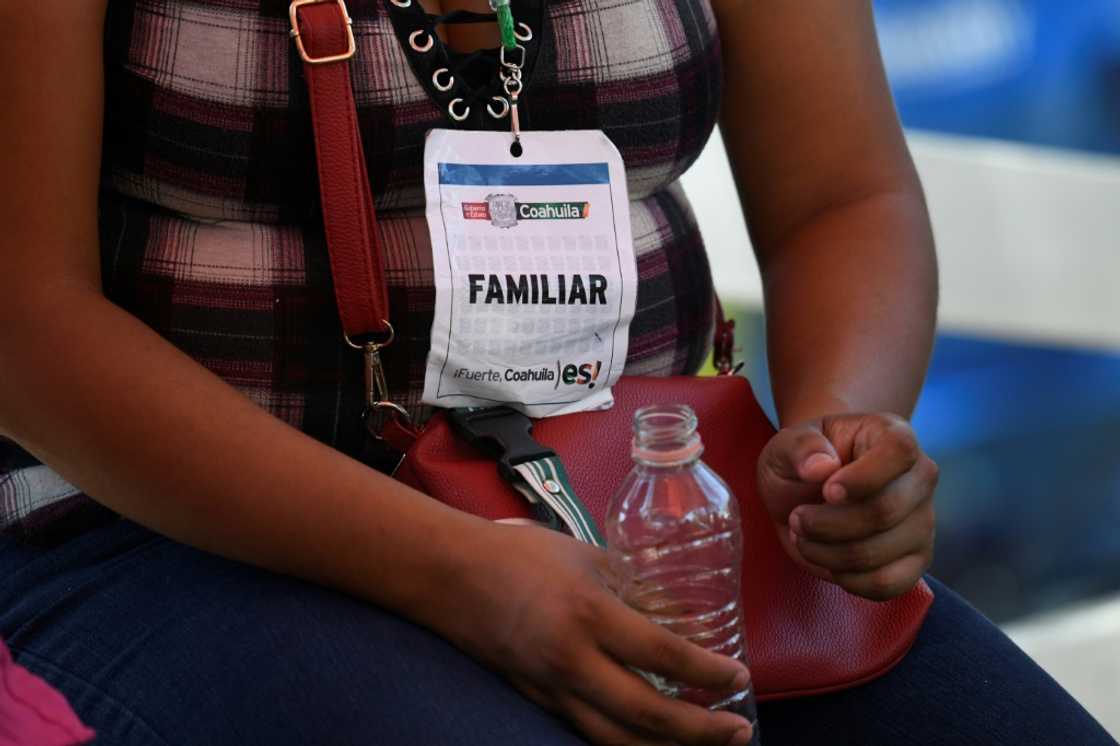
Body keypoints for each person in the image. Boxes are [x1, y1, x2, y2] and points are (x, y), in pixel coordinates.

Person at [0, 1, 1113, 744]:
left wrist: (836, 437)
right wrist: (458, 569)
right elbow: (24, 323)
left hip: (630, 510)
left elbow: (845, 195)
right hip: (167, 530)